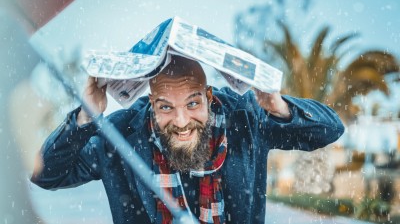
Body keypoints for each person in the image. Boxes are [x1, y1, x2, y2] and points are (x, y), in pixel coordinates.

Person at [31, 56, 345, 224]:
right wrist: (86, 117)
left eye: (193, 104)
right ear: (151, 104)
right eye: (166, 107)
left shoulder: (246, 118)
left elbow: (329, 130)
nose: (181, 122)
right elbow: (47, 174)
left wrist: (279, 106)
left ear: (209, 96)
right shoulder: (121, 134)